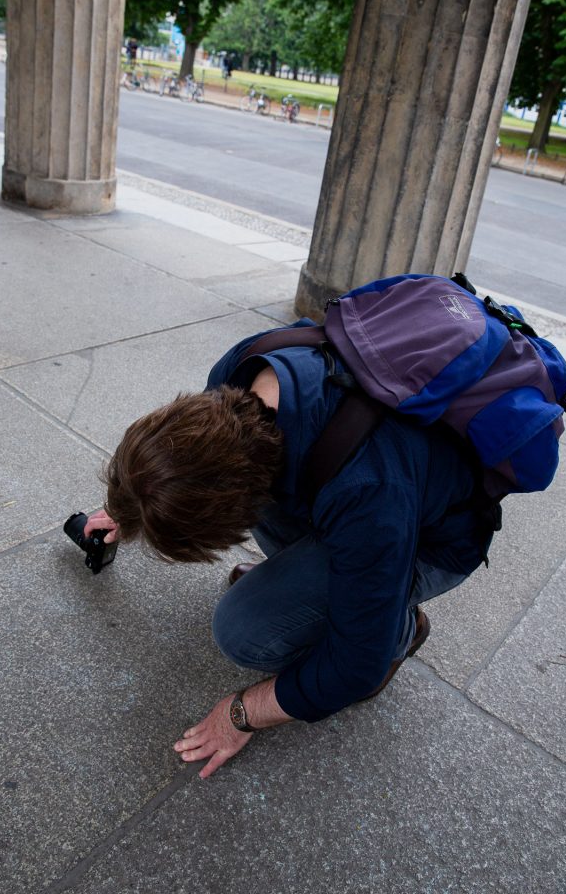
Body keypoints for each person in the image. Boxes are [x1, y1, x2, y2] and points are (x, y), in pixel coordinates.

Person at [84, 323, 496, 778]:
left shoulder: (367, 493)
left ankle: (400, 628)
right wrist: (135, 507)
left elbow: (355, 666)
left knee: (243, 630)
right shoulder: (241, 372)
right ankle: (315, 590)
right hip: (362, 495)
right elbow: (184, 466)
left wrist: (242, 712)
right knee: (310, 551)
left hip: (431, 541)